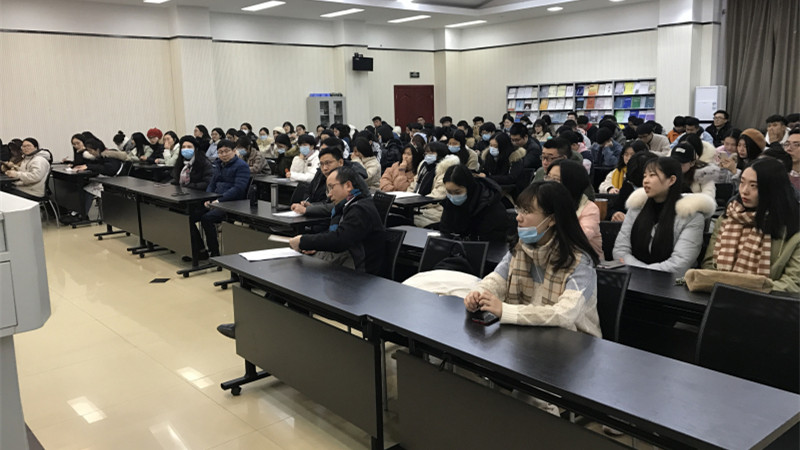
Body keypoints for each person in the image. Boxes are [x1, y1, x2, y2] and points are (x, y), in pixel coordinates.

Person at [463, 181, 601, 336]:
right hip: (528, 334)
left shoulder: (580, 261)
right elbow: (496, 280)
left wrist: (506, 310)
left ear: (551, 219)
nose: (518, 218)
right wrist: (479, 293)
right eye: (518, 210)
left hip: (574, 340)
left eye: (526, 211)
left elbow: (564, 314)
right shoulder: (520, 247)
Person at [700, 158, 799, 293]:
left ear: (773, 189)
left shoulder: (793, 228)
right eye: (742, 182)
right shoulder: (730, 216)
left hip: (767, 301)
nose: (744, 191)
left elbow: (793, 282)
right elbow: (709, 264)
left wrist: (745, 290)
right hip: (719, 296)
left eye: (754, 186)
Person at [613, 157, 716, 276]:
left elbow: (680, 263)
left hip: (670, 283)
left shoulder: (691, 215)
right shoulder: (636, 208)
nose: (645, 181)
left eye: (652, 175)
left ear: (671, 180)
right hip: (632, 279)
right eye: (645, 176)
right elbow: (620, 251)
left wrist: (642, 272)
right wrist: (641, 272)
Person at [289, 166, 386, 273]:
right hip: (346, 261)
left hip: (358, 271)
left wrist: (303, 241)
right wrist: (318, 246)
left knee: (298, 269)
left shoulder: (360, 209)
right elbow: (338, 235)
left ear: (348, 185)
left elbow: (340, 240)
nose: (329, 195)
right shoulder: (349, 205)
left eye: (332, 187)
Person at [189, 139, 250, 260]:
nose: (224, 154)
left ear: (234, 151)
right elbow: (212, 184)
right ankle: (200, 251)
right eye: (220, 152)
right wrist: (208, 198)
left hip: (233, 203)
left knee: (207, 218)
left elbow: (238, 189)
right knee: (190, 216)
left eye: (227, 151)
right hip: (215, 200)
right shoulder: (218, 164)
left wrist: (220, 201)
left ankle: (215, 253)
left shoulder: (242, 166)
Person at [290, 142, 367, 219]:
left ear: (340, 162)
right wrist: (309, 204)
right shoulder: (320, 174)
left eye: (328, 163)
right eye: (321, 164)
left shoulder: (351, 176)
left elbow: (339, 205)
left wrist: (307, 209)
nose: (324, 168)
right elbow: (310, 191)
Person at [546, 160, 603, 258]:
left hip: (584, 260)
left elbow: (579, 238)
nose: (548, 183)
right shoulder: (543, 203)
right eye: (548, 177)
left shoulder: (589, 209)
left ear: (571, 183)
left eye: (555, 179)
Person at [439, 164, 509, 242]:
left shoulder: (490, 205)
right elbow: (444, 229)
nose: (453, 196)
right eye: (449, 192)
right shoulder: (449, 203)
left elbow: (494, 240)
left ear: (469, 188)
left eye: (458, 192)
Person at [408, 143, 460, 227]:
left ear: (440, 153)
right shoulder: (424, 167)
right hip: (416, 204)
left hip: (434, 208)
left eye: (431, 153)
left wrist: (414, 202)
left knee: (410, 219)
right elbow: (413, 185)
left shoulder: (445, 171)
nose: (428, 155)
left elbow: (437, 196)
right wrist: (406, 198)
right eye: (426, 153)